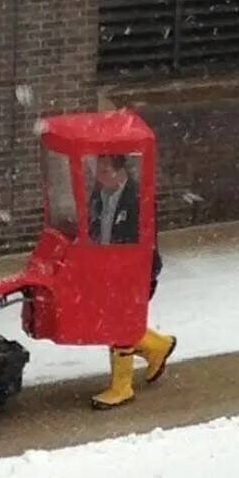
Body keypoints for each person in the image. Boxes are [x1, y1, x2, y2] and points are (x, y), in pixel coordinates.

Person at [87, 154, 176, 410]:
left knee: (119, 327)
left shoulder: (137, 199)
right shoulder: (99, 195)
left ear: (120, 171)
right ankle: (159, 344)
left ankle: (121, 387)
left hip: (133, 273)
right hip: (107, 272)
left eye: (104, 171)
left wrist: (130, 274)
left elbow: (142, 244)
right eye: (97, 171)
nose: (99, 176)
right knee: (112, 323)